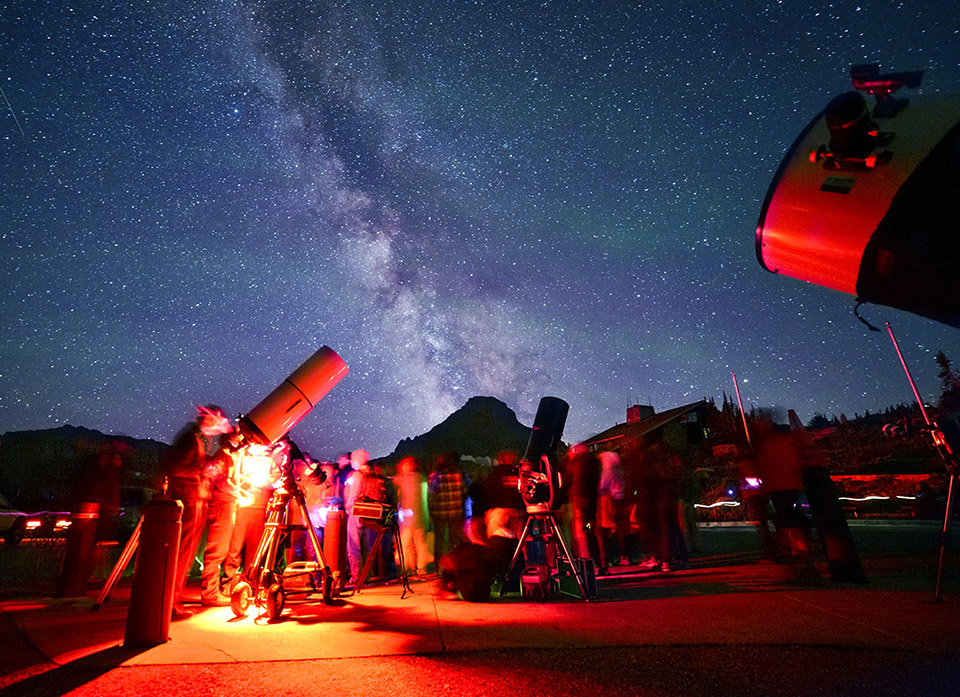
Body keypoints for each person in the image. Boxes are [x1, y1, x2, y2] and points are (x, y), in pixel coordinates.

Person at [162, 404, 234, 620]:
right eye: (217, 423)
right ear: (208, 419)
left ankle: (172, 599)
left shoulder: (198, 439)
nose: (218, 429)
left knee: (185, 553)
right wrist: (203, 471)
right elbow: (176, 469)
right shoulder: (190, 439)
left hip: (196, 499)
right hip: (190, 499)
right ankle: (170, 602)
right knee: (182, 554)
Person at [199, 430, 240, 606]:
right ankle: (210, 593)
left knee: (217, 549)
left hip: (223, 503)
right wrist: (241, 494)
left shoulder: (227, 455)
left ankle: (211, 590)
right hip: (223, 505)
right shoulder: (225, 455)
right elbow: (222, 481)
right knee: (217, 549)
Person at [428, 451, 467, 574]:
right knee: (455, 541)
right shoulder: (459, 474)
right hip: (456, 512)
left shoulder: (435, 476)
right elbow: (465, 491)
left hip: (439, 513)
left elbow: (431, 496)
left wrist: (431, 512)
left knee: (439, 541)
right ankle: (456, 567)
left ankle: (439, 568)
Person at [393, 457, 430, 578]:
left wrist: (404, 514)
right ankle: (420, 570)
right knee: (420, 544)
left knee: (406, 544)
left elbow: (407, 498)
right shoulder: (421, 479)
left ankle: (409, 569)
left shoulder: (408, 479)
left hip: (409, 517)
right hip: (420, 517)